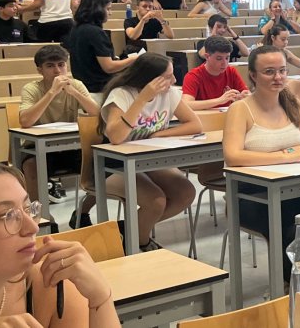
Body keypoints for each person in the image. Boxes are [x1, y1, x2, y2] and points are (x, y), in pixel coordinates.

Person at [0, 160, 120, 328]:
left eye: (28, 209)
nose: (32, 227)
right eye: (6, 215)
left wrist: (101, 299)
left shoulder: (50, 284)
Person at [224, 46, 300, 280]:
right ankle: (289, 284)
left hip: (295, 187)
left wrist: (293, 151)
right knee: (291, 226)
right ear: (253, 75)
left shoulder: (291, 102)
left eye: (282, 71)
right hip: (254, 194)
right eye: (269, 72)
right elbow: (233, 156)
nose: (278, 77)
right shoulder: (240, 109)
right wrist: (284, 156)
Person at [98, 53, 200, 250]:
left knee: (185, 192)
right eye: (169, 76)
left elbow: (195, 124)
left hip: (147, 161)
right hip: (114, 165)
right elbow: (116, 137)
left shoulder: (169, 94)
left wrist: (160, 135)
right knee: (156, 201)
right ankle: (139, 244)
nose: (174, 80)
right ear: (151, 79)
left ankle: (131, 231)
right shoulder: (121, 94)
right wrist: (143, 98)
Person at [18, 45, 100, 220]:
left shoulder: (76, 84)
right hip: (38, 148)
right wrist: (52, 92)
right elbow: (25, 121)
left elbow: (97, 113)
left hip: (72, 146)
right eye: (50, 66)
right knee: (30, 166)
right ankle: (40, 218)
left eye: (61, 65)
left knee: (102, 162)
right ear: (40, 70)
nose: (57, 71)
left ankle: (82, 212)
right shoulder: (31, 89)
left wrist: (75, 94)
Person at [64, 0, 137, 92]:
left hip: (83, 86)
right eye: (108, 9)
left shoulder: (76, 28)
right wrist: (134, 59)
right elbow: (109, 67)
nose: (110, 13)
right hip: (98, 88)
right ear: (97, 10)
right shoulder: (95, 32)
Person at [180, 35, 249, 111]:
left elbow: (246, 94)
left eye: (227, 58)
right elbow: (186, 104)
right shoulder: (193, 76)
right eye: (219, 58)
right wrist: (220, 100)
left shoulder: (231, 71)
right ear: (207, 57)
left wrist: (243, 97)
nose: (224, 63)